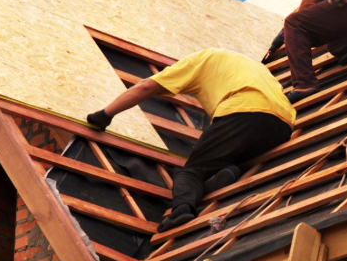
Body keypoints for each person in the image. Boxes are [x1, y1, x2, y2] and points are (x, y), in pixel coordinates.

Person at [87, 48, 295, 233]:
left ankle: (182, 210)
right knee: (225, 158)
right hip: (283, 124)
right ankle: (227, 173)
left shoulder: (199, 60)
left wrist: (105, 114)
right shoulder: (249, 66)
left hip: (244, 110)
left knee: (190, 172)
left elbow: (145, 87)